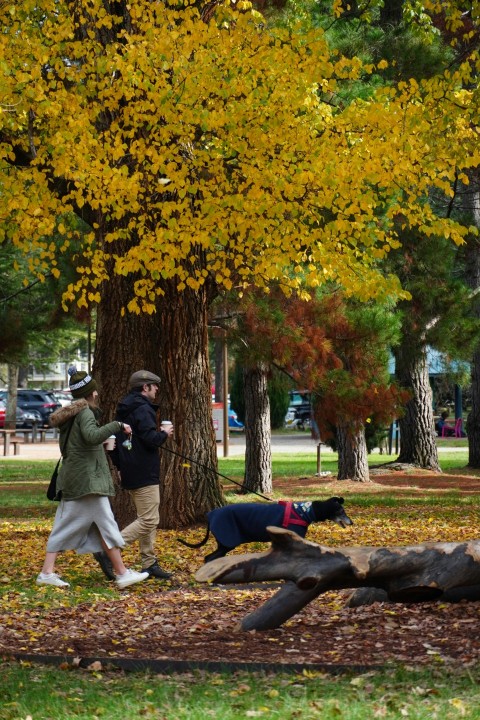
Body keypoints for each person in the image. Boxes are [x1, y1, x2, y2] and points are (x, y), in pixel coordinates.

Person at [36, 367, 150, 590]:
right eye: (94, 390)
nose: (97, 394)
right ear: (89, 392)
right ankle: (48, 572)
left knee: (100, 526)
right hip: (86, 482)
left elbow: (80, 442)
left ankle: (121, 572)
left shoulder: (72, 414)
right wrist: (117, 426)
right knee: (98, 524)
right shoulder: (85, 412)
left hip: (79, 479)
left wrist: (102, 442)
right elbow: (90, 437)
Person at [94, 370, 174, 581]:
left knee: (145, 517)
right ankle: (109, 549)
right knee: (149, 519)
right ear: (145, 387)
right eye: (154, 385)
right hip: (144, 470)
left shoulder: (125, 408)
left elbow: (115, 442)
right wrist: (164, 434)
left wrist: (120, 467)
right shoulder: (142, 409)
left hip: (130, 469)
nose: (157, 389)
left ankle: (149, 563)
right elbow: (150, 439)